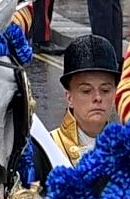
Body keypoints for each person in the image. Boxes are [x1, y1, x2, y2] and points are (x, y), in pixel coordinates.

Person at [50, 34, 120, 162]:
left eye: (105, 90)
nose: (97, 98)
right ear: (69, 98)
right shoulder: (48, 149)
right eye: (86, 91)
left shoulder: (127, 150)